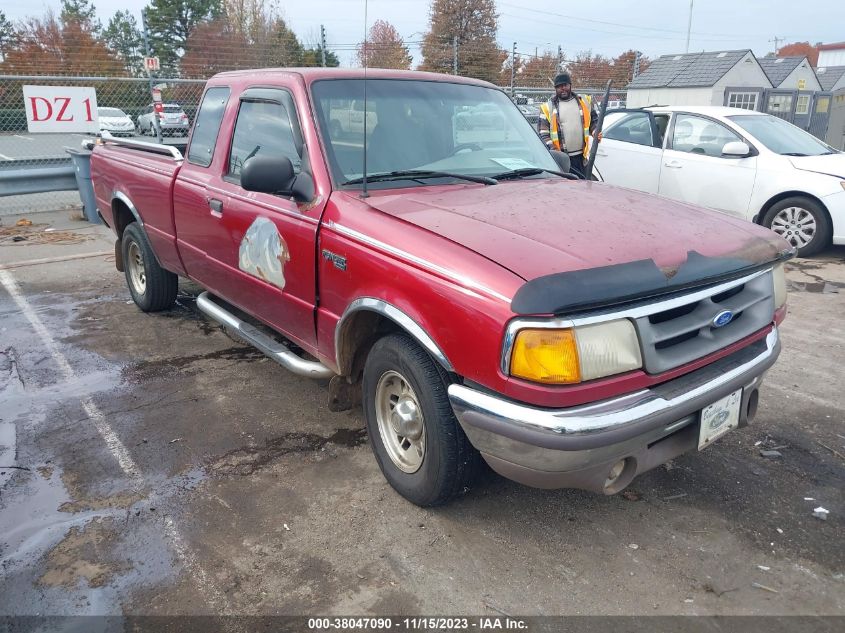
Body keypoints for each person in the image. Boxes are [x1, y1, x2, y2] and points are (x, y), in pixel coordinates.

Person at [538, 72, 599, 178]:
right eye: (559, 87)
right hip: (561, 161)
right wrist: (555, 152)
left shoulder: (584, 102)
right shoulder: (547, 108)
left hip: (581, 158)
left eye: (565, 85)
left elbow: (593, 121)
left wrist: (595, 132)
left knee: (582, 186)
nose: (563, 88)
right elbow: (543, 134)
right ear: (555, 89)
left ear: (570, 85)